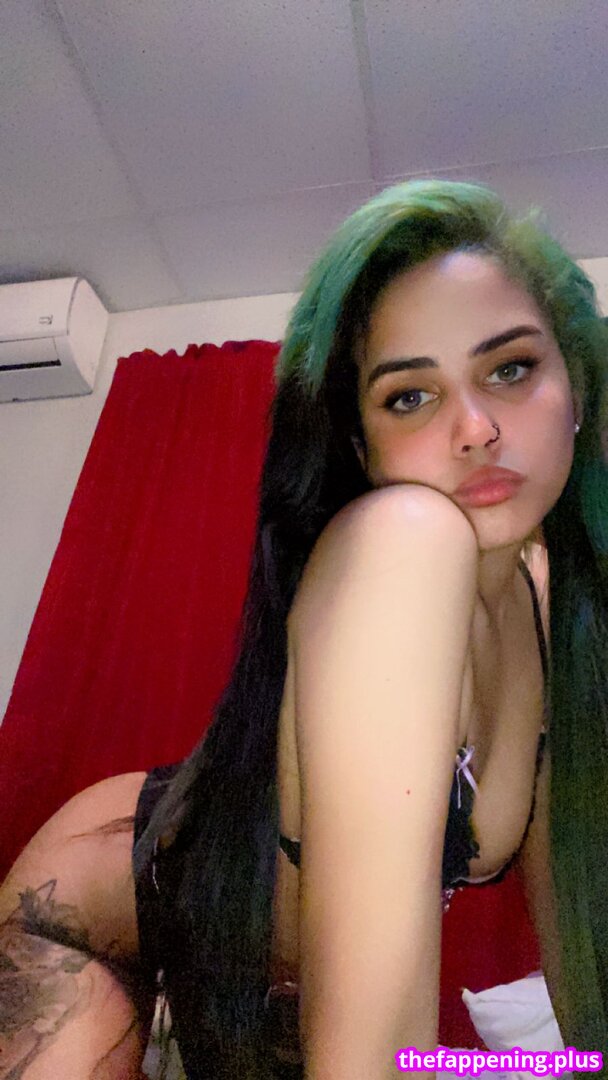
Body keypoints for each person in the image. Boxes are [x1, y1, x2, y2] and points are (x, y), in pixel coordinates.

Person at [1, 178, 607, 1080]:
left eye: (510, 369)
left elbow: (578, 956)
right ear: (364, 447)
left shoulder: (551, 596)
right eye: (410, 396)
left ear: (577, 389)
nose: (476, 428)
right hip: (90, 918)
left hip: (263, 977)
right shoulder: (404, 543)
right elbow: (374, 1057)